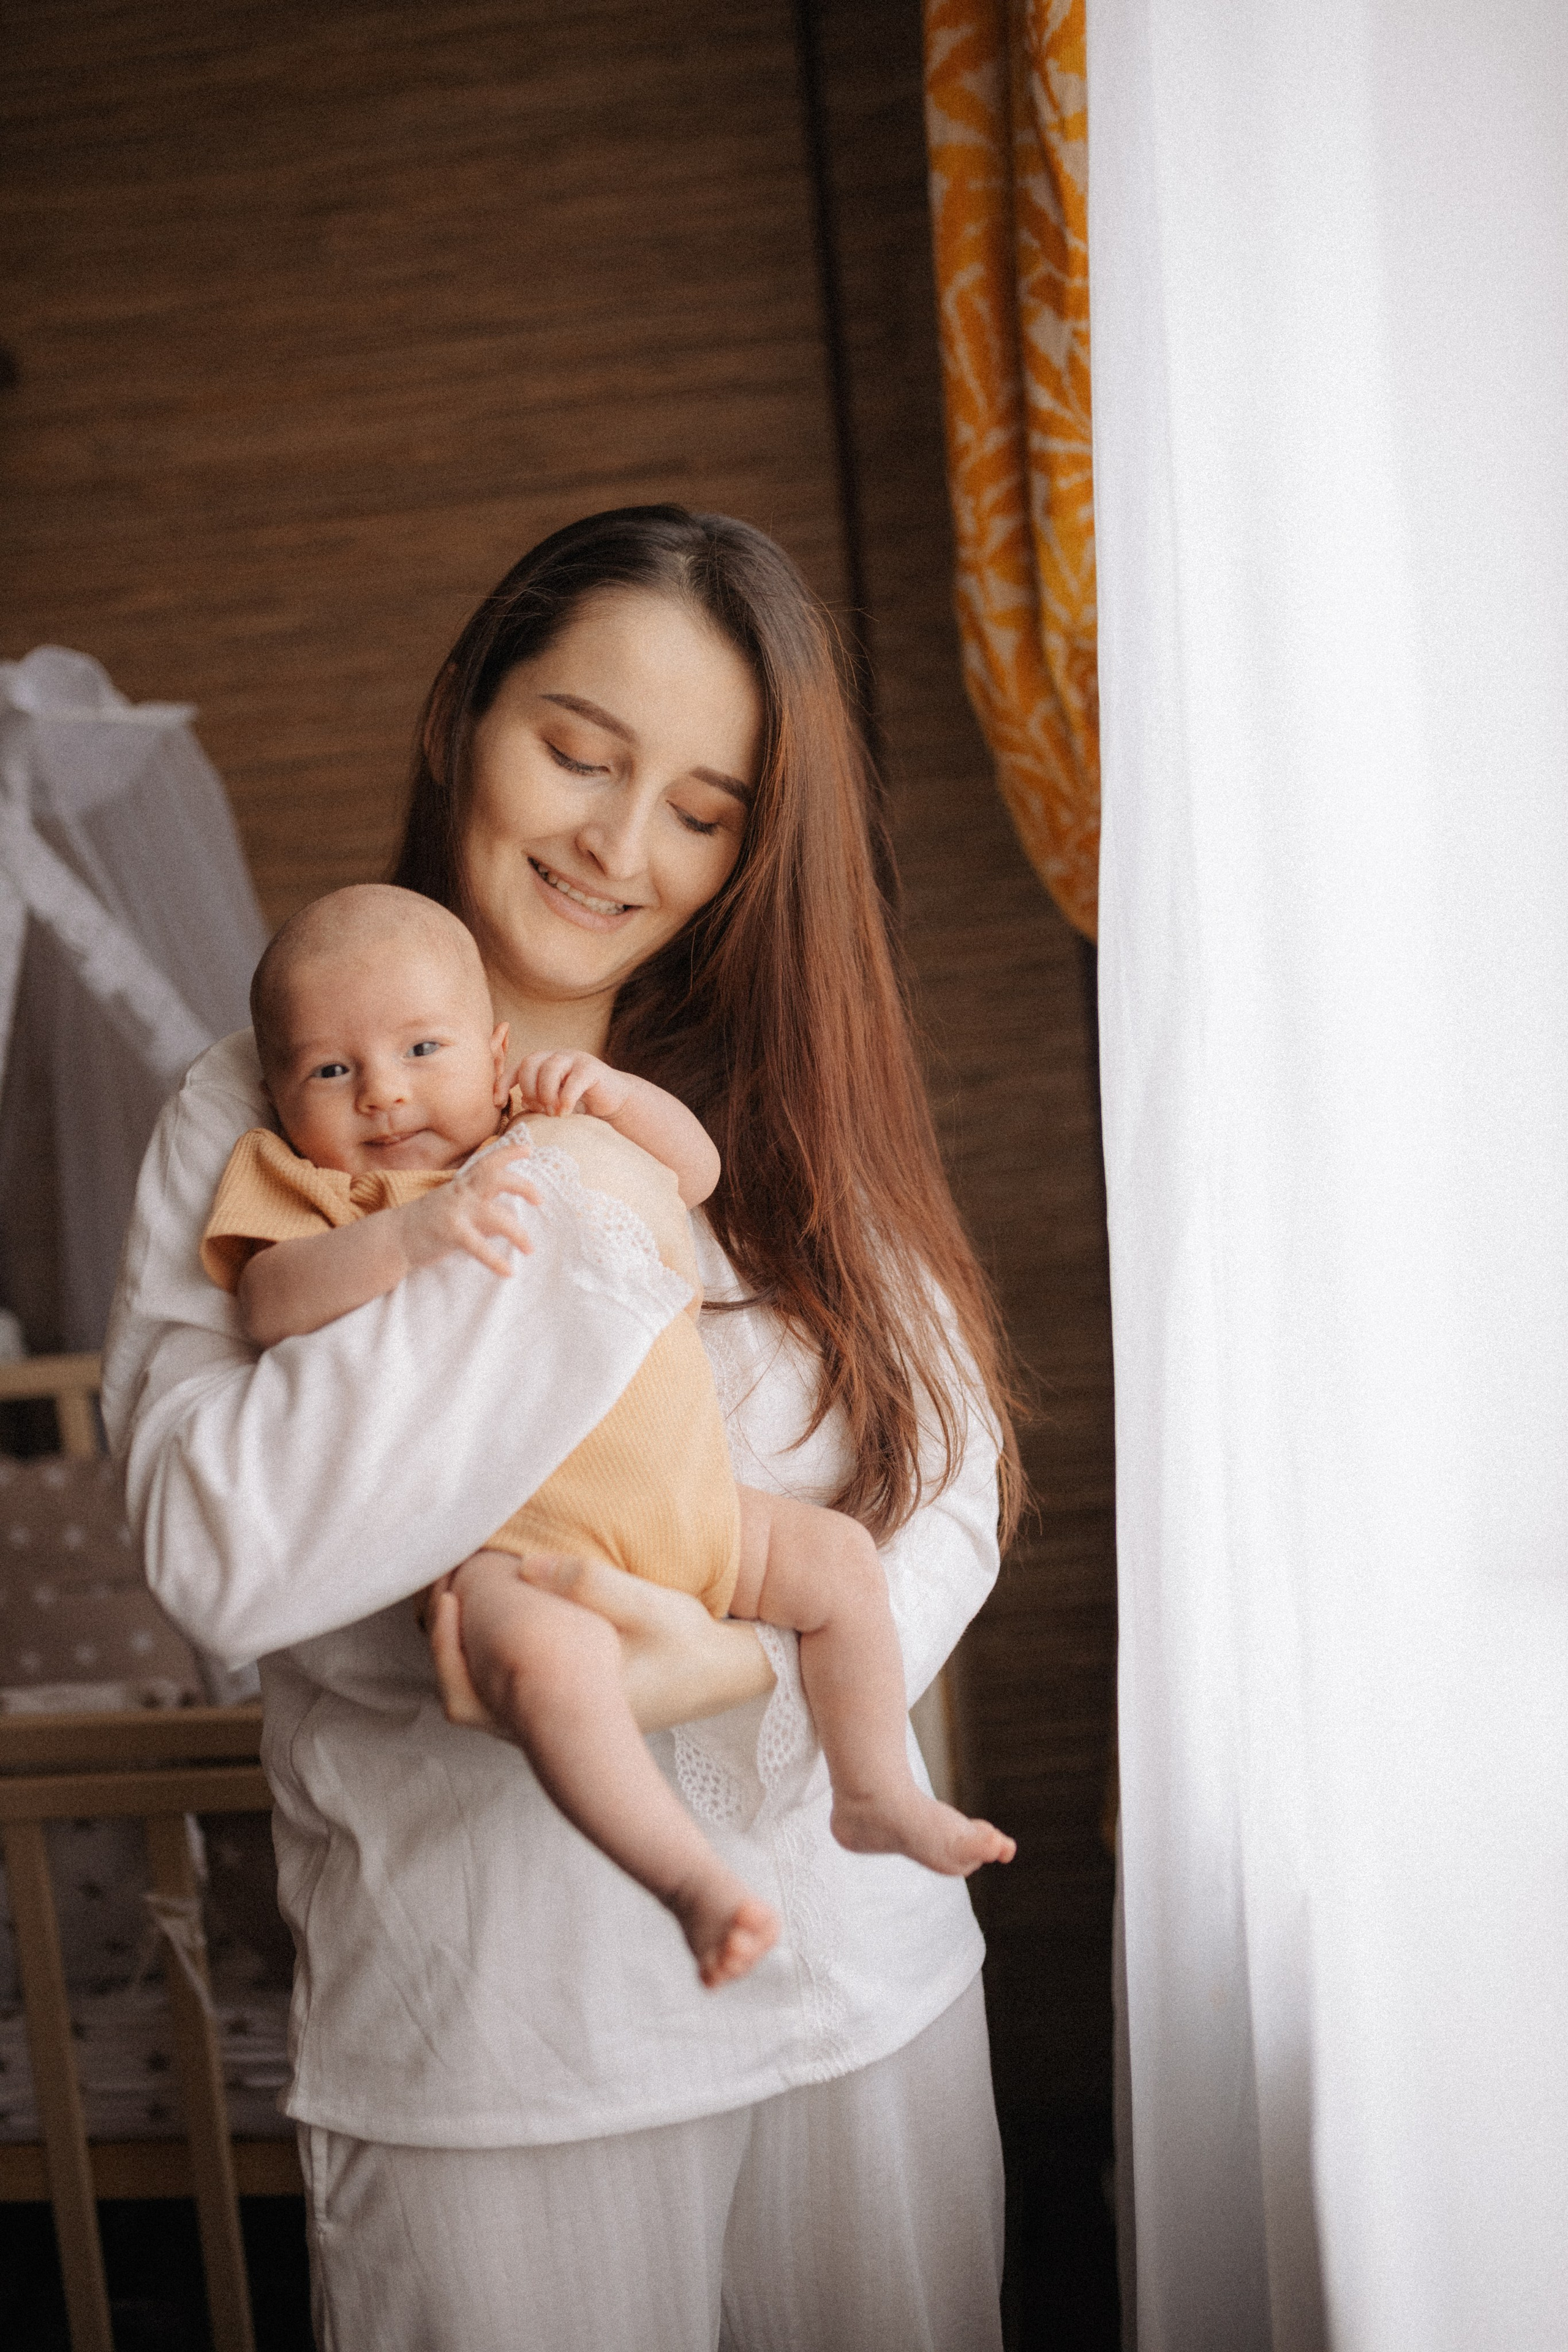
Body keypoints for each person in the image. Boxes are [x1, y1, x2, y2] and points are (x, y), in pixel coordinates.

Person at [105, 505, 1021, 2351]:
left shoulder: (775, 1077)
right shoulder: (267, 1114)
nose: (619, 843)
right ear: (466, 718)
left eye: (701, 808)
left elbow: (954, 1479)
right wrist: (550, 1209)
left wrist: (742, 1674)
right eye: (580, 755)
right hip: (503, 2038)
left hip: (865, 1993)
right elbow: (225, 1552)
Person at [198, 882, 1014, 1991]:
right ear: (279, 1093)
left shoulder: (546, 1133)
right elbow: (270, 1303)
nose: (383, 1094)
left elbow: (698, 1175)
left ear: (494, 1057)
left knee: (839, 1565)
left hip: (688, 1506)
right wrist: (412, 1238)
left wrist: (616, 1098)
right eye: (330, 1072)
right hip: (521, 1549)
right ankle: (686, 1879)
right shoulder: (313, 1190)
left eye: (421, 1049)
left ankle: (873, 1788)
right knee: (545, 1672)